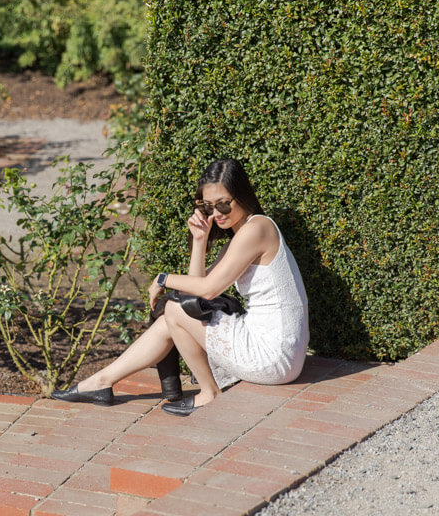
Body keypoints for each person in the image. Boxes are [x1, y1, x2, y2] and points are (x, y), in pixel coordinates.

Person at [52, 159, 309, 416]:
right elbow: (195, 294)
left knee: (174, 309)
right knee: (174, 313)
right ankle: (101, 382)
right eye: (208, 206)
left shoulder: (257, 229)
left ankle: (210, 393)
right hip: (279, 352)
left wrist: (163, 278)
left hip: (274, 357)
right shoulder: (243, 234)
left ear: (242, 195)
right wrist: (199, 240)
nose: (217, 213)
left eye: (223, 203)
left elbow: (207, 290)